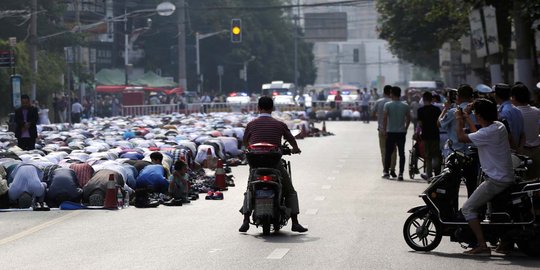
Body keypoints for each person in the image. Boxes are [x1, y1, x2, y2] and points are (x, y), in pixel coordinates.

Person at [239, 96, 307, 233]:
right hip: (274, 163)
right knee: (290, 191)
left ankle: (245, 220)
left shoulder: (251, 124)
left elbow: (245, 143)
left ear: (258, 108)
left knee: (249, 189)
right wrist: (295, 149)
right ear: (272, 108)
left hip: (255, 164)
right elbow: (291, 139)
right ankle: (295, 222)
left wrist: (251, 148)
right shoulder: (279, 124)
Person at [455, 98, 515, 256]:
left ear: (480, 116)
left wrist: (459, 118)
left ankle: (482, 245)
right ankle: (504, 242)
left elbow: (461, 137)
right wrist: (469, 116)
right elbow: (478, 134)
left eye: (476, 114)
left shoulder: (487, 132)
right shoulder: (499, 126)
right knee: (493, 210)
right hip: (506, 176)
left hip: (496, 180)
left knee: (468, 208)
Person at [439, 84, 479, 197]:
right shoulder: (477, 111)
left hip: (456, 154)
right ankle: (472, 212)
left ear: (458, 97)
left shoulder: (453, 112)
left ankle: (453, 212)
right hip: (473, 153)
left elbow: (440, 123)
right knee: (472, 186)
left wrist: (445, 108)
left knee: (452, 187)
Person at [511, 83, 540, 179]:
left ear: (514, 97)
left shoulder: (514, 113)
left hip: (522, 152)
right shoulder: (536, 111)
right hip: (537, 150)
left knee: (523, 182)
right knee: (536, 182)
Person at [382, 86, 410, 181]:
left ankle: (386, 172)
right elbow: (409, 118)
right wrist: (405, 128)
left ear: (392, 93)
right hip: (401, 132)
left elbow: (385, 118)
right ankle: (401, 173)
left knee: (388, 153)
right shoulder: (405, 105)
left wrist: (385, 130)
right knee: (401, 153)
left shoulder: (388, 105)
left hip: (391, 132)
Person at [416, 91, 442, 180]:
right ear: (432, 99)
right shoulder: (437, 110)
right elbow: (439, 123)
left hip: (426, 135)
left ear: (423, 99)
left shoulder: (420, 110)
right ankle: (437, 173)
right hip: (435, 134)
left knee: (428, 155)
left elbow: (420, 123)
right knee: (436, 155)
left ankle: (429, 174)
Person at [372, 85, 397, 178]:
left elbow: (373, 114)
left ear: (383, 92)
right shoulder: (394, 103)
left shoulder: (379, 102)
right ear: (391, 93)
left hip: (382, 129)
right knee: (393, 151)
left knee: (384, 151)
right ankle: (393, 170)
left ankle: (385, 170)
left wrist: (379, 118)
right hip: (393, 130)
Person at [493, 83, 525, 151]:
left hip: (508, 151)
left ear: (496, 95)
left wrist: (515, 149)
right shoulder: (517, 110)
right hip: (517, 149)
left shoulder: (503, 112)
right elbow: (522, 134)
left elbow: (508, 136)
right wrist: (520, 149)